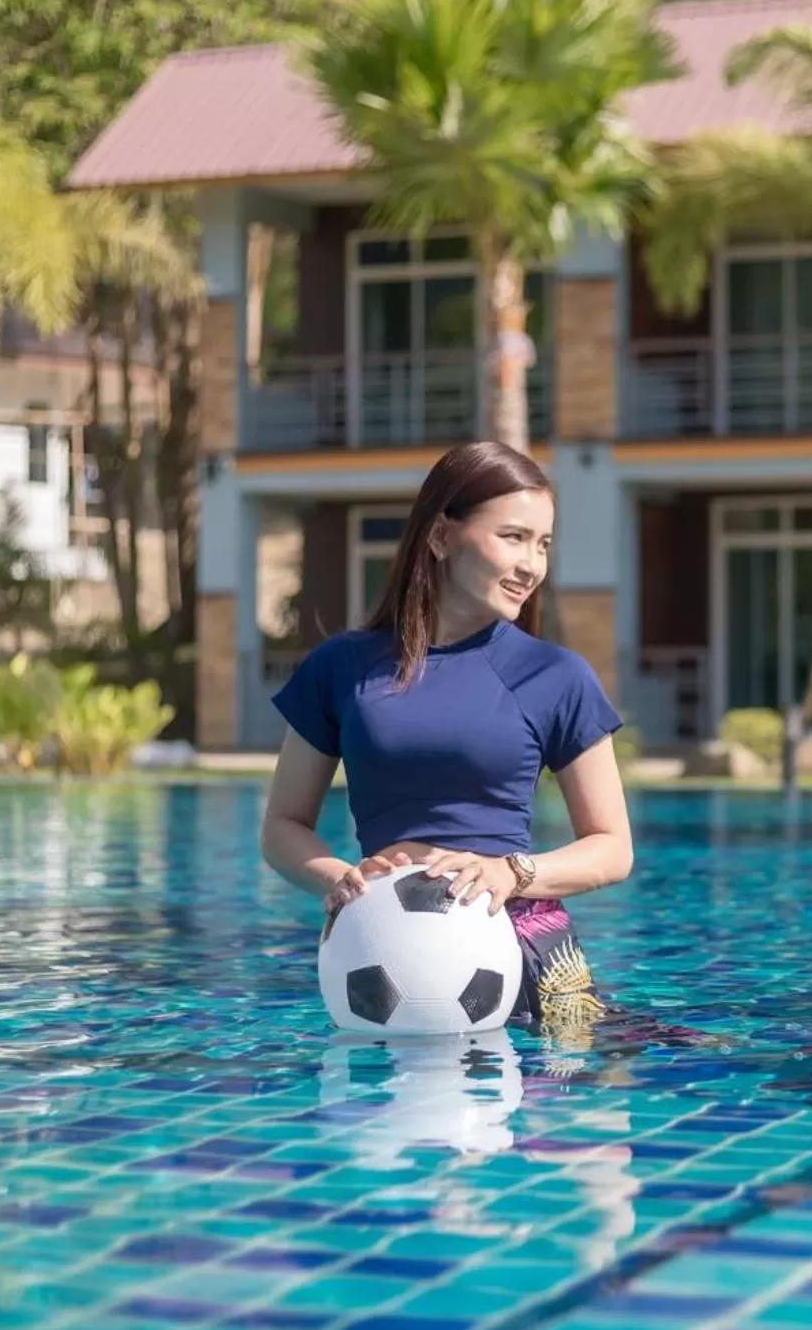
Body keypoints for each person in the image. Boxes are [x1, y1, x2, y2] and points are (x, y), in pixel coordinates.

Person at [261, 441, 633, 1035]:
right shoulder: (341, 668)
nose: (532, 565)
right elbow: (282, 825)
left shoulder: (556, 676)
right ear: (439, 538)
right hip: (383, 953)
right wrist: (338, 877)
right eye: (513, 537)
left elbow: (613, 847)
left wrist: (512, 873)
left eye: (543, 544)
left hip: (529, 952)